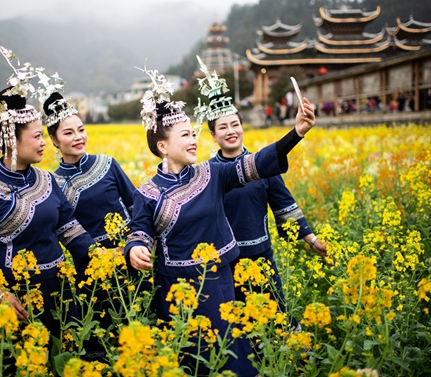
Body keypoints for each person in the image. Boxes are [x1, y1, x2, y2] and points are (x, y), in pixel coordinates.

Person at [125, 58, 315, 376]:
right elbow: (139, 230)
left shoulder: (212, 173)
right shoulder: (147, 192)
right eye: (185, 135)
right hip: (176, 292)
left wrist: (295, 133)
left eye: (193, 133)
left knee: (231, 357)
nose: (193, 140)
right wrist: (135, 249)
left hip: (220, 283)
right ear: (162, 146)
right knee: (193, 360)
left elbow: (256, 164)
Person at [0, 45, 96, 364]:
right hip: (16, 304)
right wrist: (0, 294)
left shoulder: (48, 181)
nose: (42, 142)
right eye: (36, 136)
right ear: (10, 140)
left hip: (61, 295)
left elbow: (73, 233)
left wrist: (105, 258)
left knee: (70, 363)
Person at [201, 62, 326, 327]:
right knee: (236, 326)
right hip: (227, 262)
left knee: (276, 318)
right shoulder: (208, 173)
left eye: (235, 124)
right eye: (222, 127)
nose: (231, 131)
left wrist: (311, 240)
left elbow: (284, 205)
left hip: (261, 256)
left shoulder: (263, 165)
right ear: (213, 135)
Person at [42, 90, 136, 360]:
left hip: (130, 259)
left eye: (80, 130)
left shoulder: (108, 164)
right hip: (90, 270)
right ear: (54, 140)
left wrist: (136, 243)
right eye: (68, 133)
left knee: (137, 327)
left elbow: (135, 206)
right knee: (102, 341)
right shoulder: (51, 184)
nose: (78, 137)